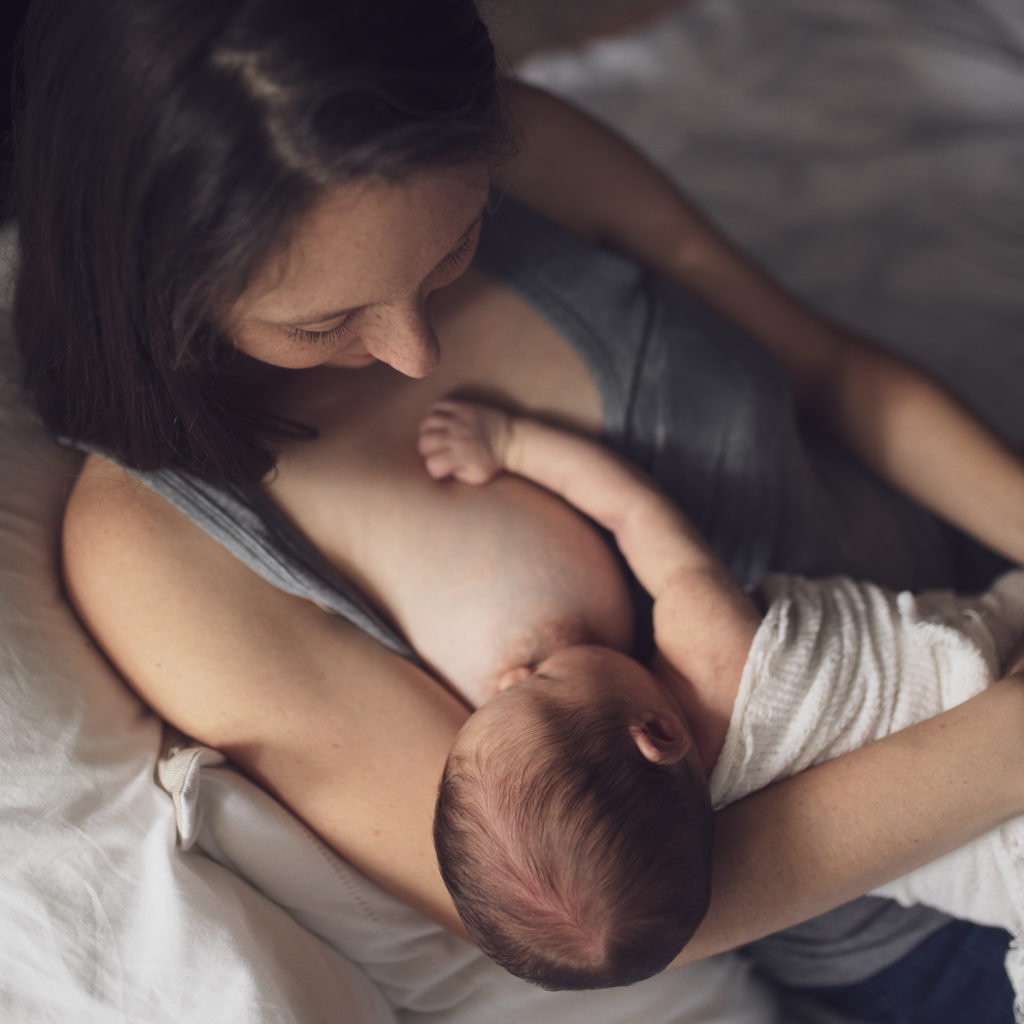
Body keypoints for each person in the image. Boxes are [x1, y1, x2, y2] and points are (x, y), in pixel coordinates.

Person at [12, 0, 1024, 1019]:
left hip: (986, 591)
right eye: (325, 321)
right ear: (151, 284)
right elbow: (607, 915)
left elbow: (836, 376)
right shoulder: (159, 555)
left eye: (454, 248)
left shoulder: (520, 146)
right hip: (925, 908)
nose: (417, 351)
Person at [418, 397, 1024, 1004]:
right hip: (986, 677)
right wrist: (511, 442)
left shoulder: (692, 821)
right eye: (536, 683)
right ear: (654, 734)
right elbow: (631, 510)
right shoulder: (709, 643)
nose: (514, 672)